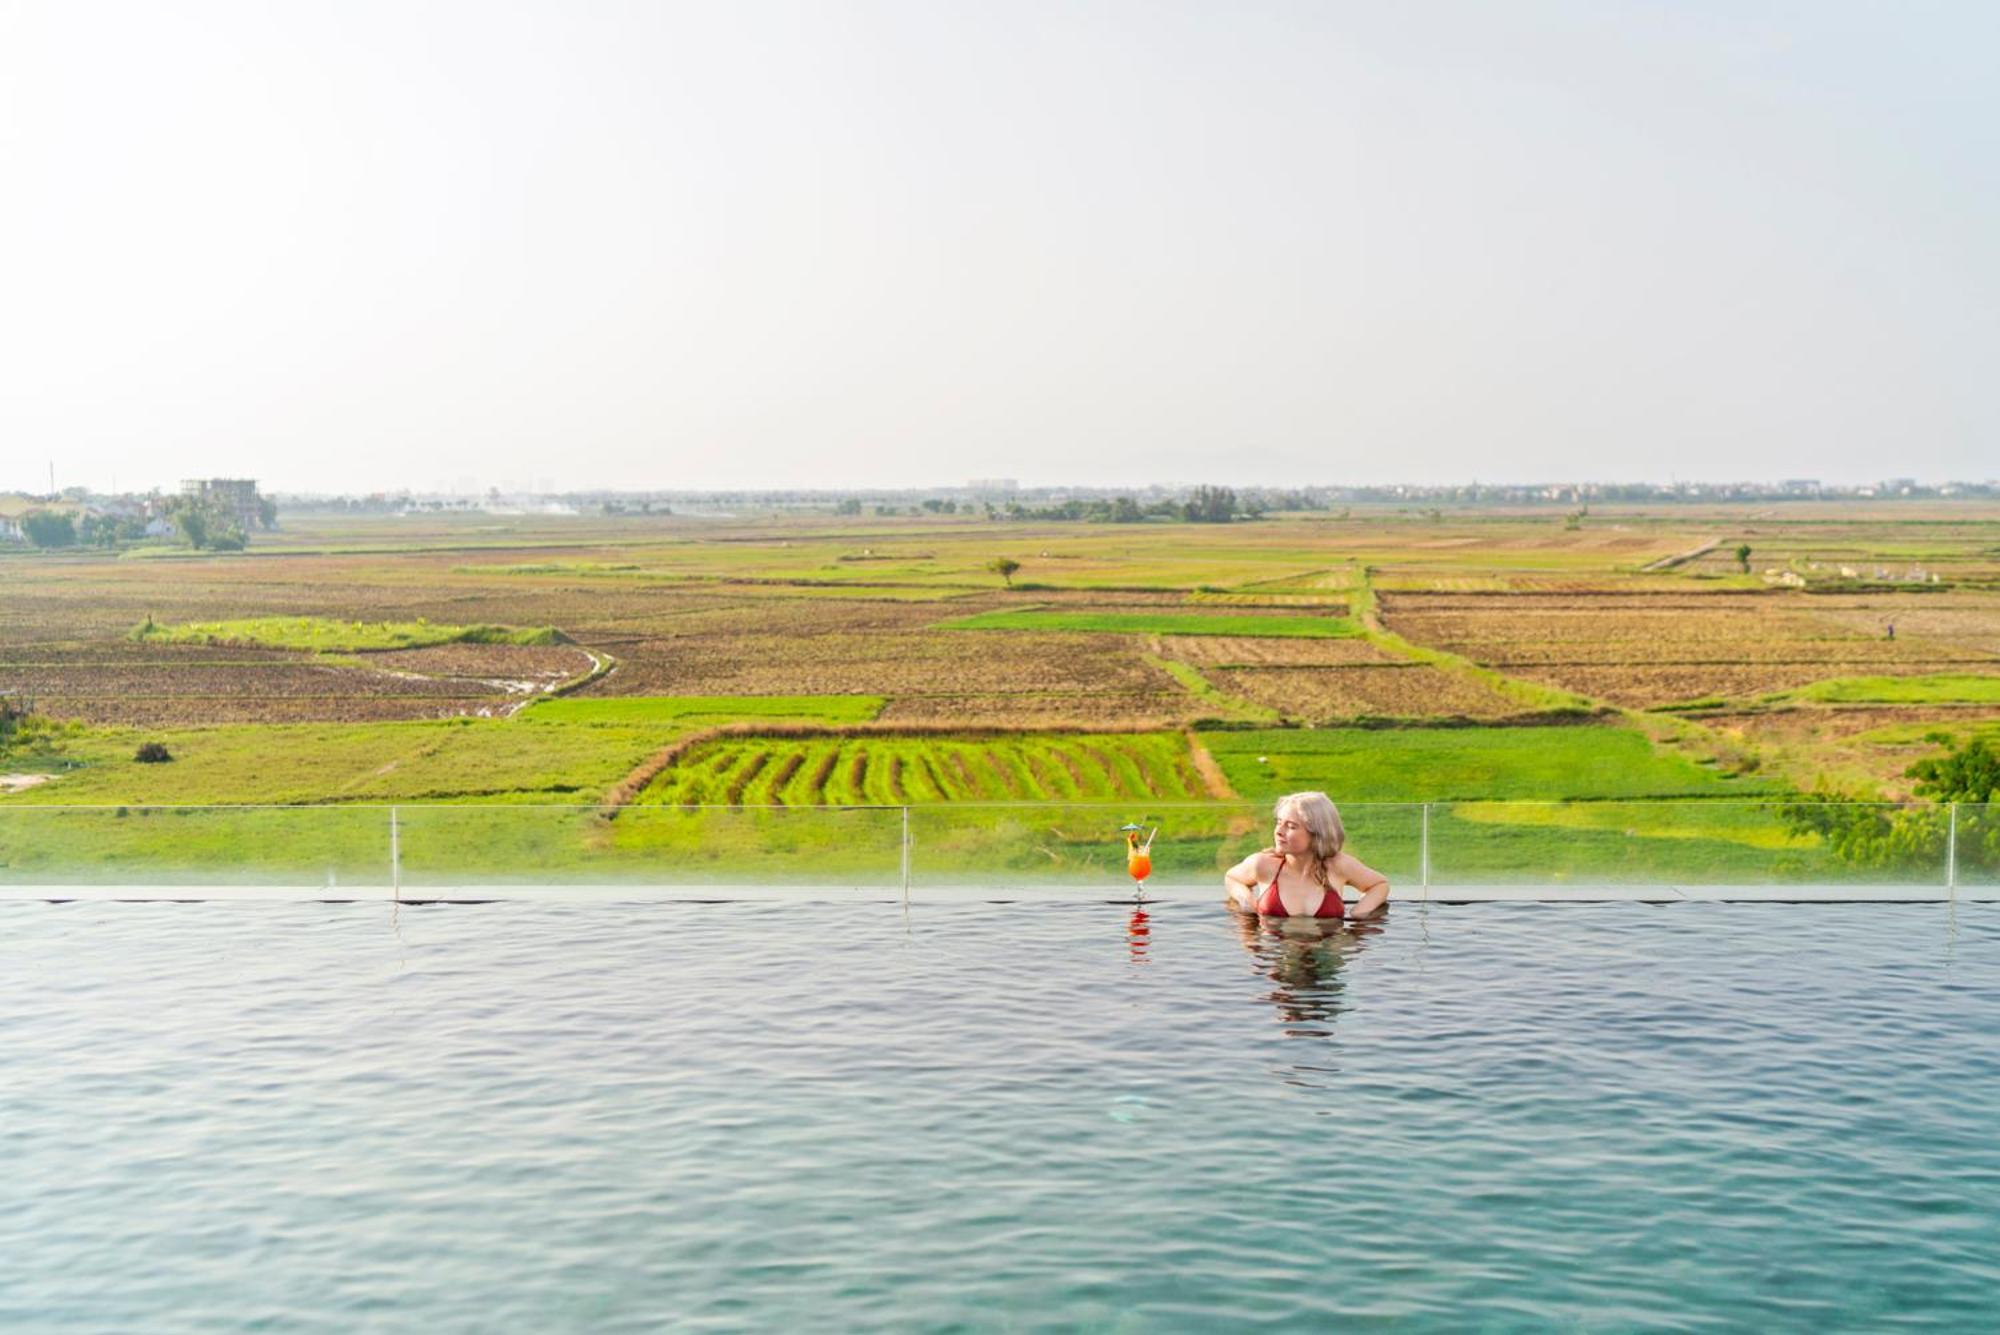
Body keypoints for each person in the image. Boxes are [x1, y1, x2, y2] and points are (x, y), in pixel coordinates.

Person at [1223, 791, 1390, 919]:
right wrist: (1247, 902)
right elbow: (1232, 878)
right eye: (1279, 823)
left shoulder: (1338, 865)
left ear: (1317, 833)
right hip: (1274, 958)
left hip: (1326, 960)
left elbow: (1380, 885)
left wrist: (1357, 915)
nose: (1279, 831)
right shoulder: (1263, 864)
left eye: (1291, 826)